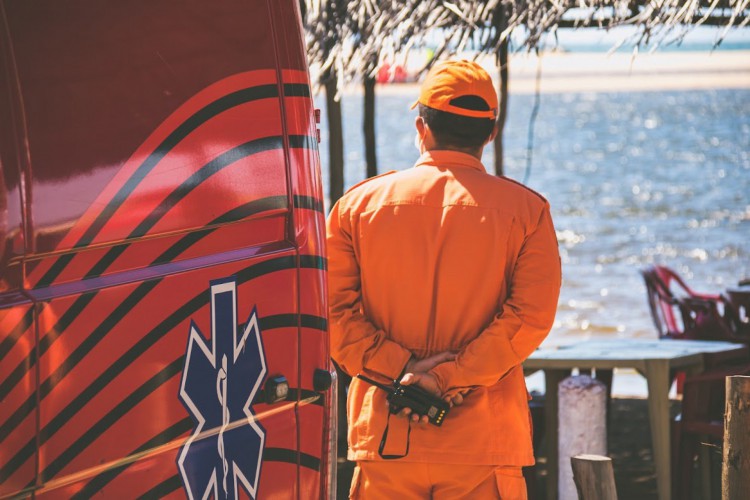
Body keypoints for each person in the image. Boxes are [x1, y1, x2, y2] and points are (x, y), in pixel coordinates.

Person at [327, 59, 562, 499]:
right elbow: (529, 319)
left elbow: (332, 317)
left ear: (422, 127)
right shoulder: (527, 212)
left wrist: (404, 371)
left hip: (386, 436)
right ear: (490, 134)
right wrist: (446, 378)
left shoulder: (355, 208)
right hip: (483, 442)